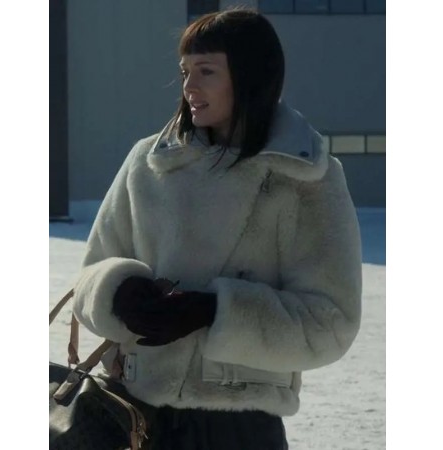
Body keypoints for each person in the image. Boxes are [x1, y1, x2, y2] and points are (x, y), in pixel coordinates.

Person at [72, 7, 362, 449]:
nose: (189, 86)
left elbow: (331, 321)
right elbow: (91, 275)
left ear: (250, 76)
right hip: (136, 417)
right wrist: (118, 292)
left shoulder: (306, 178)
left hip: (242, 426)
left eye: (206, 71)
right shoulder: (148, 162)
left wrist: (214, 312)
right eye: (184, 71)